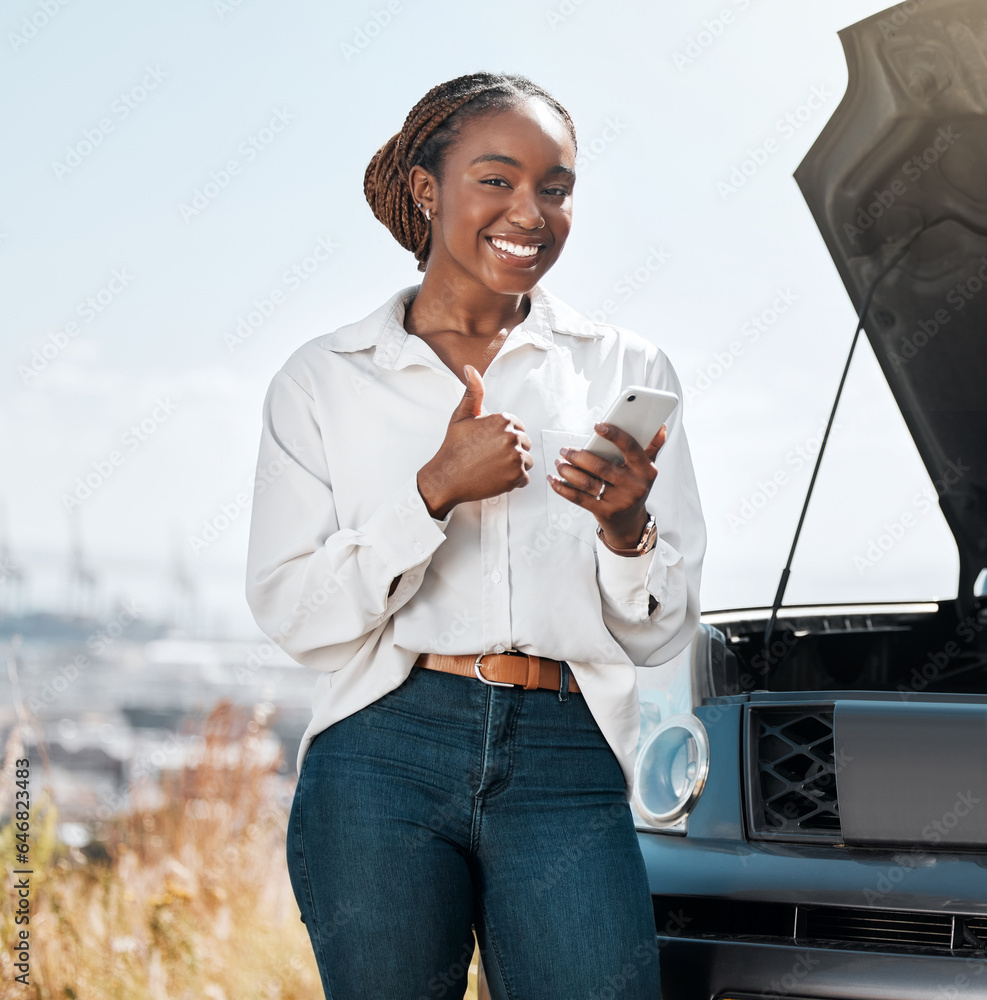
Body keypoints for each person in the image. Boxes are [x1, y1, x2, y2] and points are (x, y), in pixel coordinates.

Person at [245, 71, 705, 1000]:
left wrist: (625, 530)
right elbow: (295, 613)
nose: (530, 212)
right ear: (428, 189)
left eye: (555, 186)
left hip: (565, 749)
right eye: (496, 179)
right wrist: (430, 494)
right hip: (382, 745)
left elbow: (662, 630)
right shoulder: (323, 379)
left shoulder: (626, 368)